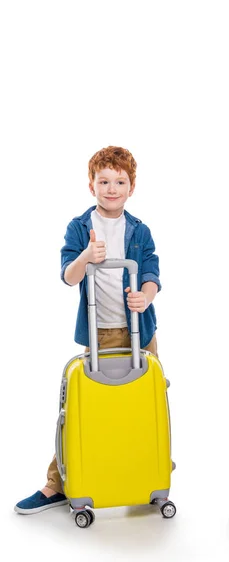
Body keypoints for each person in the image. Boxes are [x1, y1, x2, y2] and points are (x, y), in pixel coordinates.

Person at [15, 145, 161, 514]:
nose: (112, 188)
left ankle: (144, 472)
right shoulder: (80, 227)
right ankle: (58, 484)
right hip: (101, 333)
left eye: (120, 181)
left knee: (145, 404)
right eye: (104, 181)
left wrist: (145, 296)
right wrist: (85, 256)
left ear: (132, 187)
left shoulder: (139, 230)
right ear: (91, 185)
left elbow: (151, 273)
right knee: (84, 409)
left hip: (140, 331)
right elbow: (68, 276)